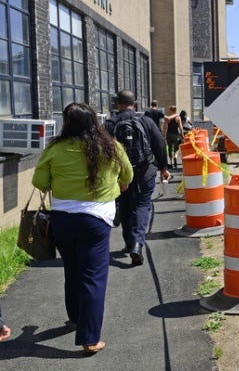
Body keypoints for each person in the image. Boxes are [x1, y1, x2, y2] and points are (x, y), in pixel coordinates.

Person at [32, 102, 134, 354]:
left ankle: (76, 317)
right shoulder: (111, 146)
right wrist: (118, 185)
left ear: (67, 122)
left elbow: (39, 181)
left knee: (72, 268)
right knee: (93, 277)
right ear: (94, 121)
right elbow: (128, 176)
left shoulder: (55, 148)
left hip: (62, 218)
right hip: (96, 219)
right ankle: (89, 338)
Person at [105, 90, 170, 266]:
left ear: (117, 104)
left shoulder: (110, 124)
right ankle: (137, 243)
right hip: (145, 172)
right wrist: (164, 167)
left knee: (125, 205)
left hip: (119, 175)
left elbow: (103, 151)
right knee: (142, 206)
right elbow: (159, 144)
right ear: (135, 104)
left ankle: (128, 242)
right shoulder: (146, 121)